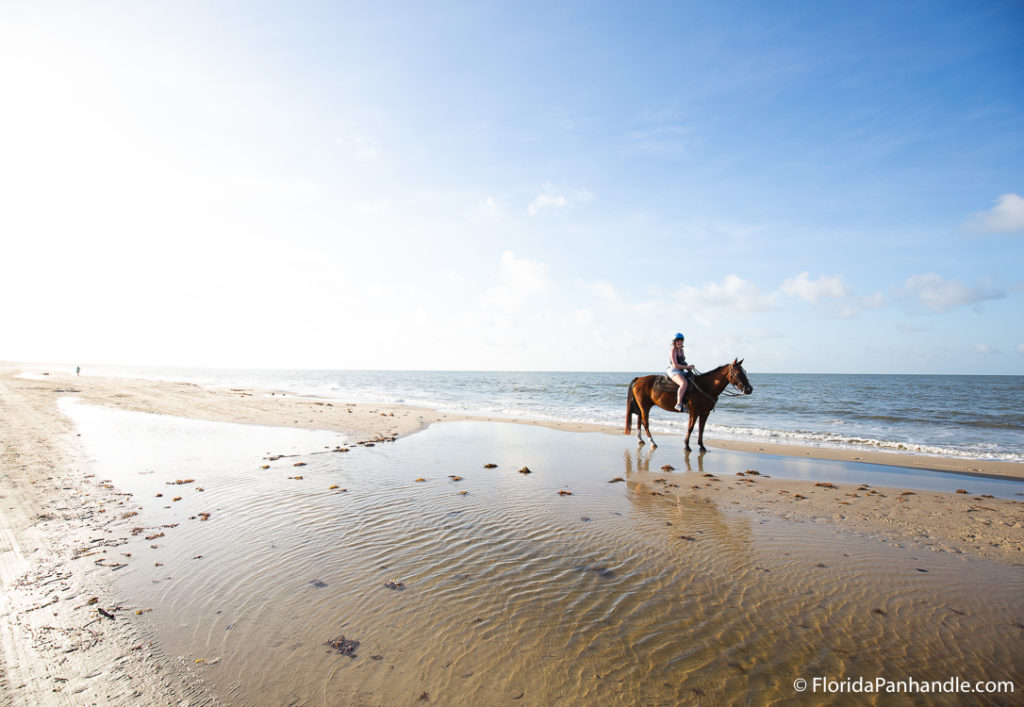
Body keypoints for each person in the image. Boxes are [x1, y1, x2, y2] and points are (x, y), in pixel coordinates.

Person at [667, 333, 694, 412]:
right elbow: (675, 365)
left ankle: (687, 403)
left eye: (681, 341)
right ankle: (678, 404)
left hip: (681, 370)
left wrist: (689, 367)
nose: (680, 343)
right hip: (673, 370)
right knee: (684, 383)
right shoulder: (673, 350)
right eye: (678, 341)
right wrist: (687, 367)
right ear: (674, 342)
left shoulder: (681, 350)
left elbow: (682, 362)